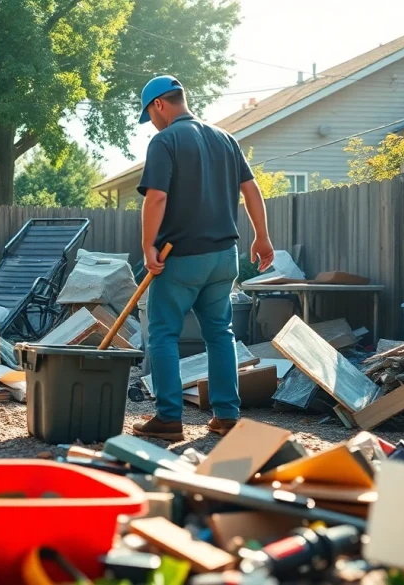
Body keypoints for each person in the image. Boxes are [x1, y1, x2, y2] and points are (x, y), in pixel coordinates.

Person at [132, 75, 274, 441]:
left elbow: (157, 198)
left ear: (159, 105)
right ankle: (226, 415)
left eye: (151, 115)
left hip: (180, 257)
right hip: (224, 256)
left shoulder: (165, 141)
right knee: (220, 333)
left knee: (163, 334)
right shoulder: (225, 138)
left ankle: (168, 418)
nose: (154, 123)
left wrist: (148, 244)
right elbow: (251, 189)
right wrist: (262, 236)